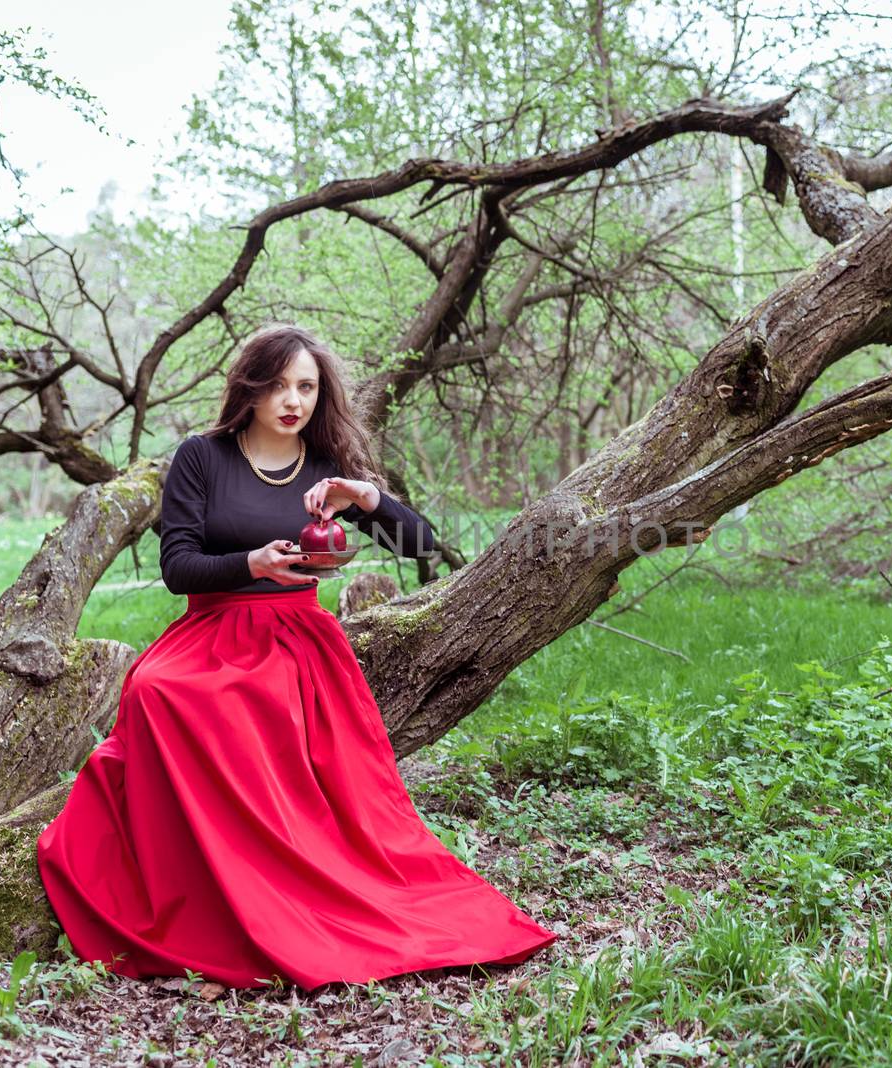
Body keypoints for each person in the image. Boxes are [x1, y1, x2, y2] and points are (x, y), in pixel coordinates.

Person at [34, 323, 559, 991]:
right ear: (250, 388)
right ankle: (204, 880)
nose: (293, 400)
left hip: (298, 636)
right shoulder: (202, 457)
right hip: (214, 628)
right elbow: (178, 567)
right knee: (163, 692)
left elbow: (419, 543)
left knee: (267, 714)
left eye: (306, 386)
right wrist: (249, 562)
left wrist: (366, 497)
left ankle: (294, 883)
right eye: (278, 385)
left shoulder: (324, 465)